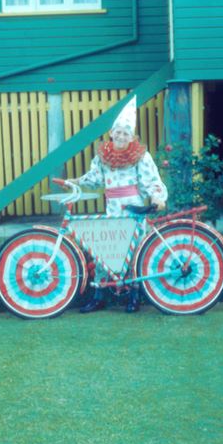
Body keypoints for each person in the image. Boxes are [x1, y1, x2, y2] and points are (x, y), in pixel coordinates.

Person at [68, 96, 168, 313]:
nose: (121, 136)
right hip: (112, 209)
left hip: (132, 209)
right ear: (111, 133)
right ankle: (99, 296)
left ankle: (134, 296)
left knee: (133, 253)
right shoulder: (103, 157)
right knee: (105, 251)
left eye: (126, 133)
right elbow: (94, 178)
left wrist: (157, 197)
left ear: (132, 137)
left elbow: (151, 180)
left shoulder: (140, 156)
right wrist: (77, 181)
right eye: (118, 132)